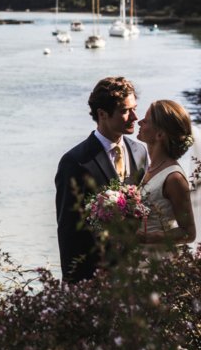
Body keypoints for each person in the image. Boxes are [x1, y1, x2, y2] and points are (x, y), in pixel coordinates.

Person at [55, 77, 149, 283]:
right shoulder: (75, 162)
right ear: (102, 114)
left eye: (135, 108)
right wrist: (74, 284)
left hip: (137, 271)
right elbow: (68, 231)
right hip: (96, 276)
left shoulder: (140, 151)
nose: (135, 116)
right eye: (125, 111)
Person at [135, 99, 197, 253]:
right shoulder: (148, 168)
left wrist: (150, 237)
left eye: (146, 120)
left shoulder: (174, 178)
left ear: (160, 134)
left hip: (157, 261)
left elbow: (189, 233)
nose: (139, 122)